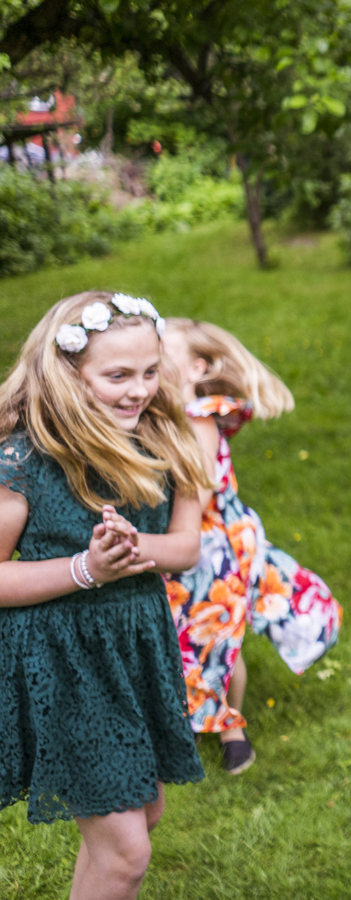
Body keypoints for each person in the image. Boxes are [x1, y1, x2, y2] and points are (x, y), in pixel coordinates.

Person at [0, 292, 211, 900]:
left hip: (134, 647)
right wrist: (88, 568)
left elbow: (187, 547)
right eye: (116, 376)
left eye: (149, 372)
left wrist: (130, 547)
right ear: (66, 373)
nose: (137, 390)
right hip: (63, 657)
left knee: (141, 821)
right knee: (125, 851)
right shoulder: (26, 457)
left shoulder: (168, 441)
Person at [160, 319, 342, 775]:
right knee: (176, 636)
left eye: (161, 352)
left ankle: (231, 729)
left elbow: (198, 498)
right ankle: (178, 716)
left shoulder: (198, 421)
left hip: (212, 549)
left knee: (223, 639)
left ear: (195, 367)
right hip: (180, 544)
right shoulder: (158, 417)